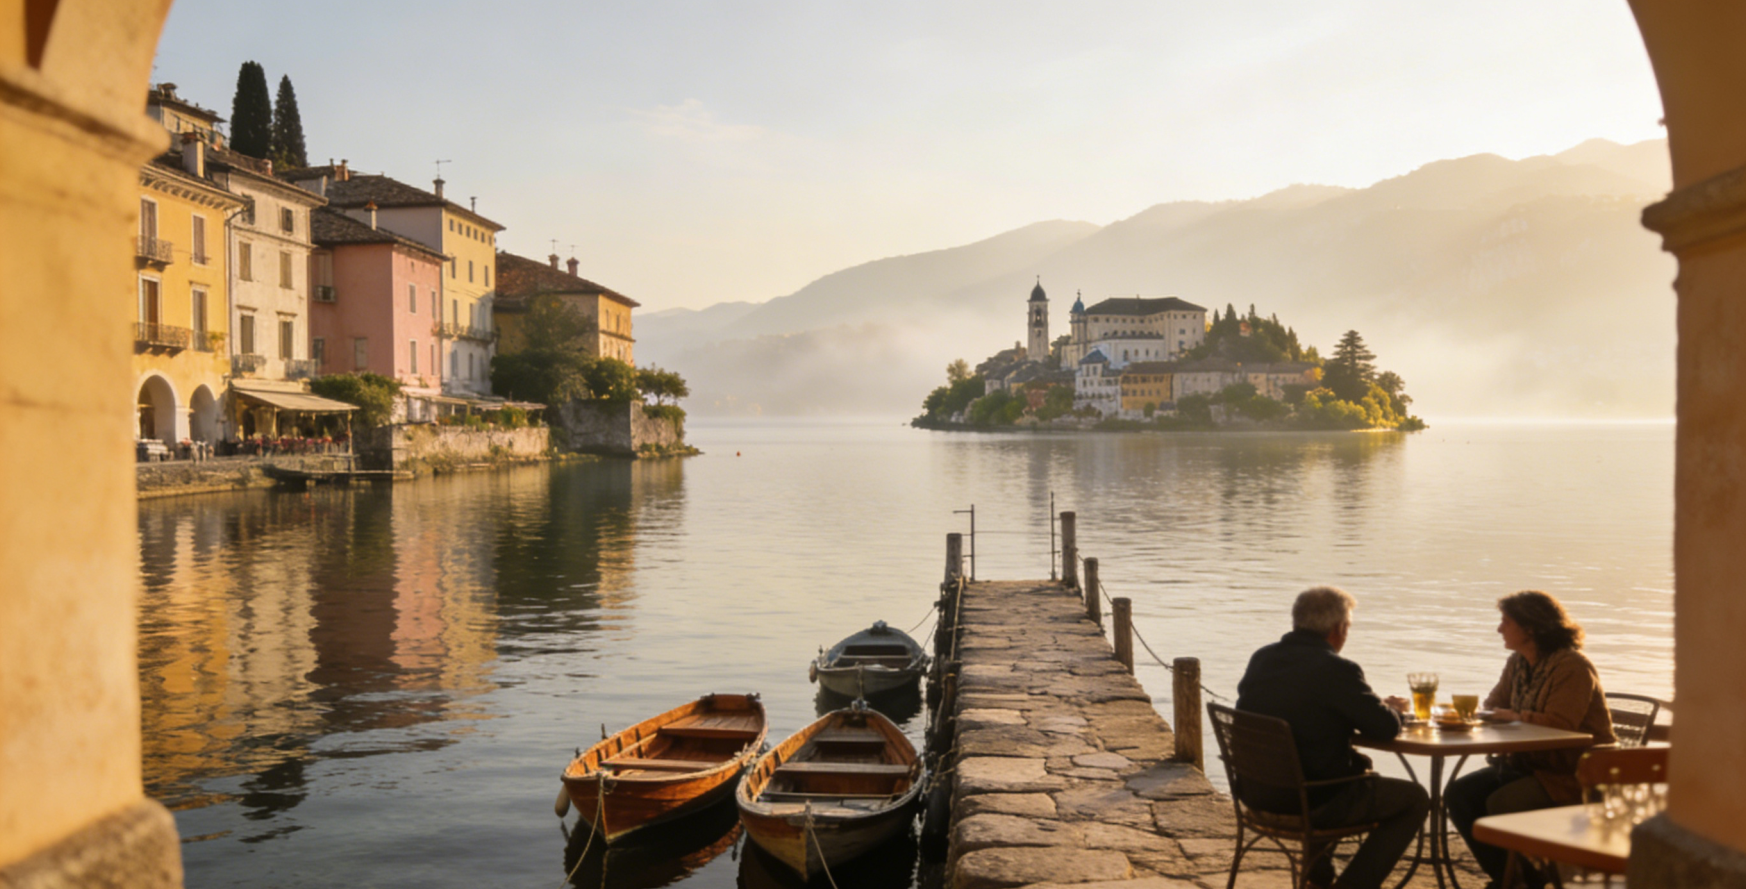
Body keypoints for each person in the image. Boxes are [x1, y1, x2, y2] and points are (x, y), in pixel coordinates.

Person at [1236, 587, 1429, 889]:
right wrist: (1394, 710)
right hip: (1309, 802)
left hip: (1256, 792)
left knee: (1326, 767)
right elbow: (1384, 728)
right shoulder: (1337, 669)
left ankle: (1321, 879)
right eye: (1348, 627)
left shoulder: (1263, 658)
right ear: (1338, 628)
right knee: (1414, 799)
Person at [1446, 591, 1615, 888]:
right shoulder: (1518, 663)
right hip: (1527, 765)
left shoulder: (1572, 666)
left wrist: (1512, 715)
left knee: (1500, 802)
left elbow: (1561, 725)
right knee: (1459, 794)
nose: (1499, 629)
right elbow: (1493, 705)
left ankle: (1520, 879)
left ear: (1530, 627)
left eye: (1506, 622)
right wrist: (1493, 714)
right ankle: (1516, 880)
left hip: (1572, 774)